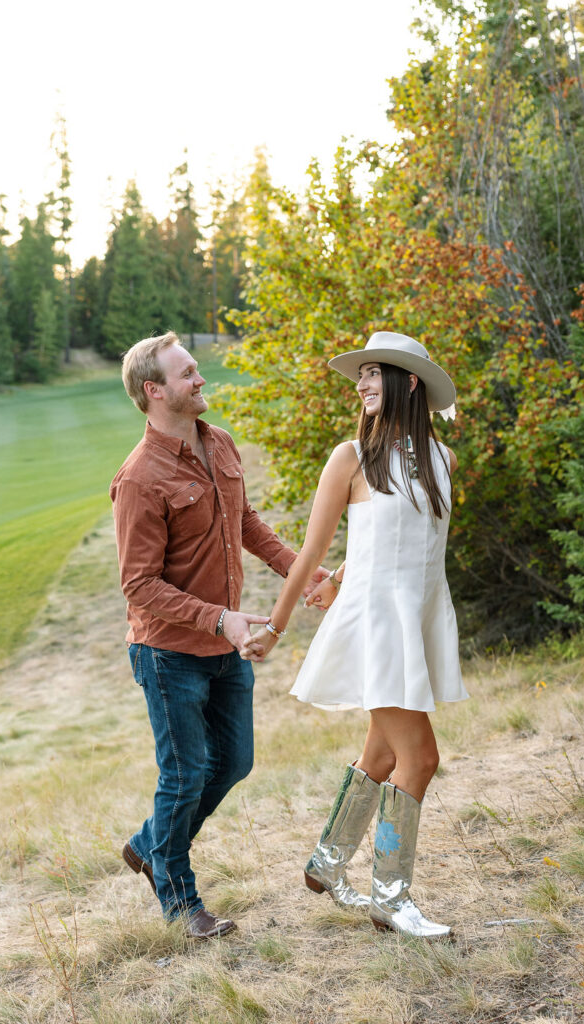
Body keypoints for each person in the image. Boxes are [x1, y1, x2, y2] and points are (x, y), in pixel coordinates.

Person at [242, 331, 469, 938]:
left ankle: (328, 861)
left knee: (384, 754)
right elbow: (313, 548)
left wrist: (342, 574)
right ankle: (391, 899)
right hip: (377, 625)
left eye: (375, 373)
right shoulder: (351, 457)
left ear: (409, 381)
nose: (364, 384)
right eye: (361, 375)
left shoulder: (443, 460)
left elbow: (401, 534)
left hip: (415, 617)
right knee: (420, 758)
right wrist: (276, 625)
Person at [110, 333, 327, 939]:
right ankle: (181, 904)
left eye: (196, 369)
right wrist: (218, 618)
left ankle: (149, 846)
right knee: (184, 775)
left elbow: (247, 524)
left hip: (225, 648)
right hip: (167, 652)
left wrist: (304, 573)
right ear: (154, 391)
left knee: (233, 762)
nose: (201, 380)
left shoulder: (220, 443)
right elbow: (138, 585)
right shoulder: (139, 479)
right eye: (188, 374)